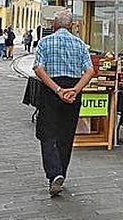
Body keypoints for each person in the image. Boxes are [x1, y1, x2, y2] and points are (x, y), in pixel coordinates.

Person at [33, 10, 94, 197]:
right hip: (73, 91)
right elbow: (90, 71)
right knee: (66, 134)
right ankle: (62, 173)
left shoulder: (44, 42)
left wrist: (57, 89)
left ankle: (54, 173)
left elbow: (38, 68)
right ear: (71, 26)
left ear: (54, 25)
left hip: (52, 89)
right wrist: (75, 90)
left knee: (47, 133)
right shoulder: (80, 44)